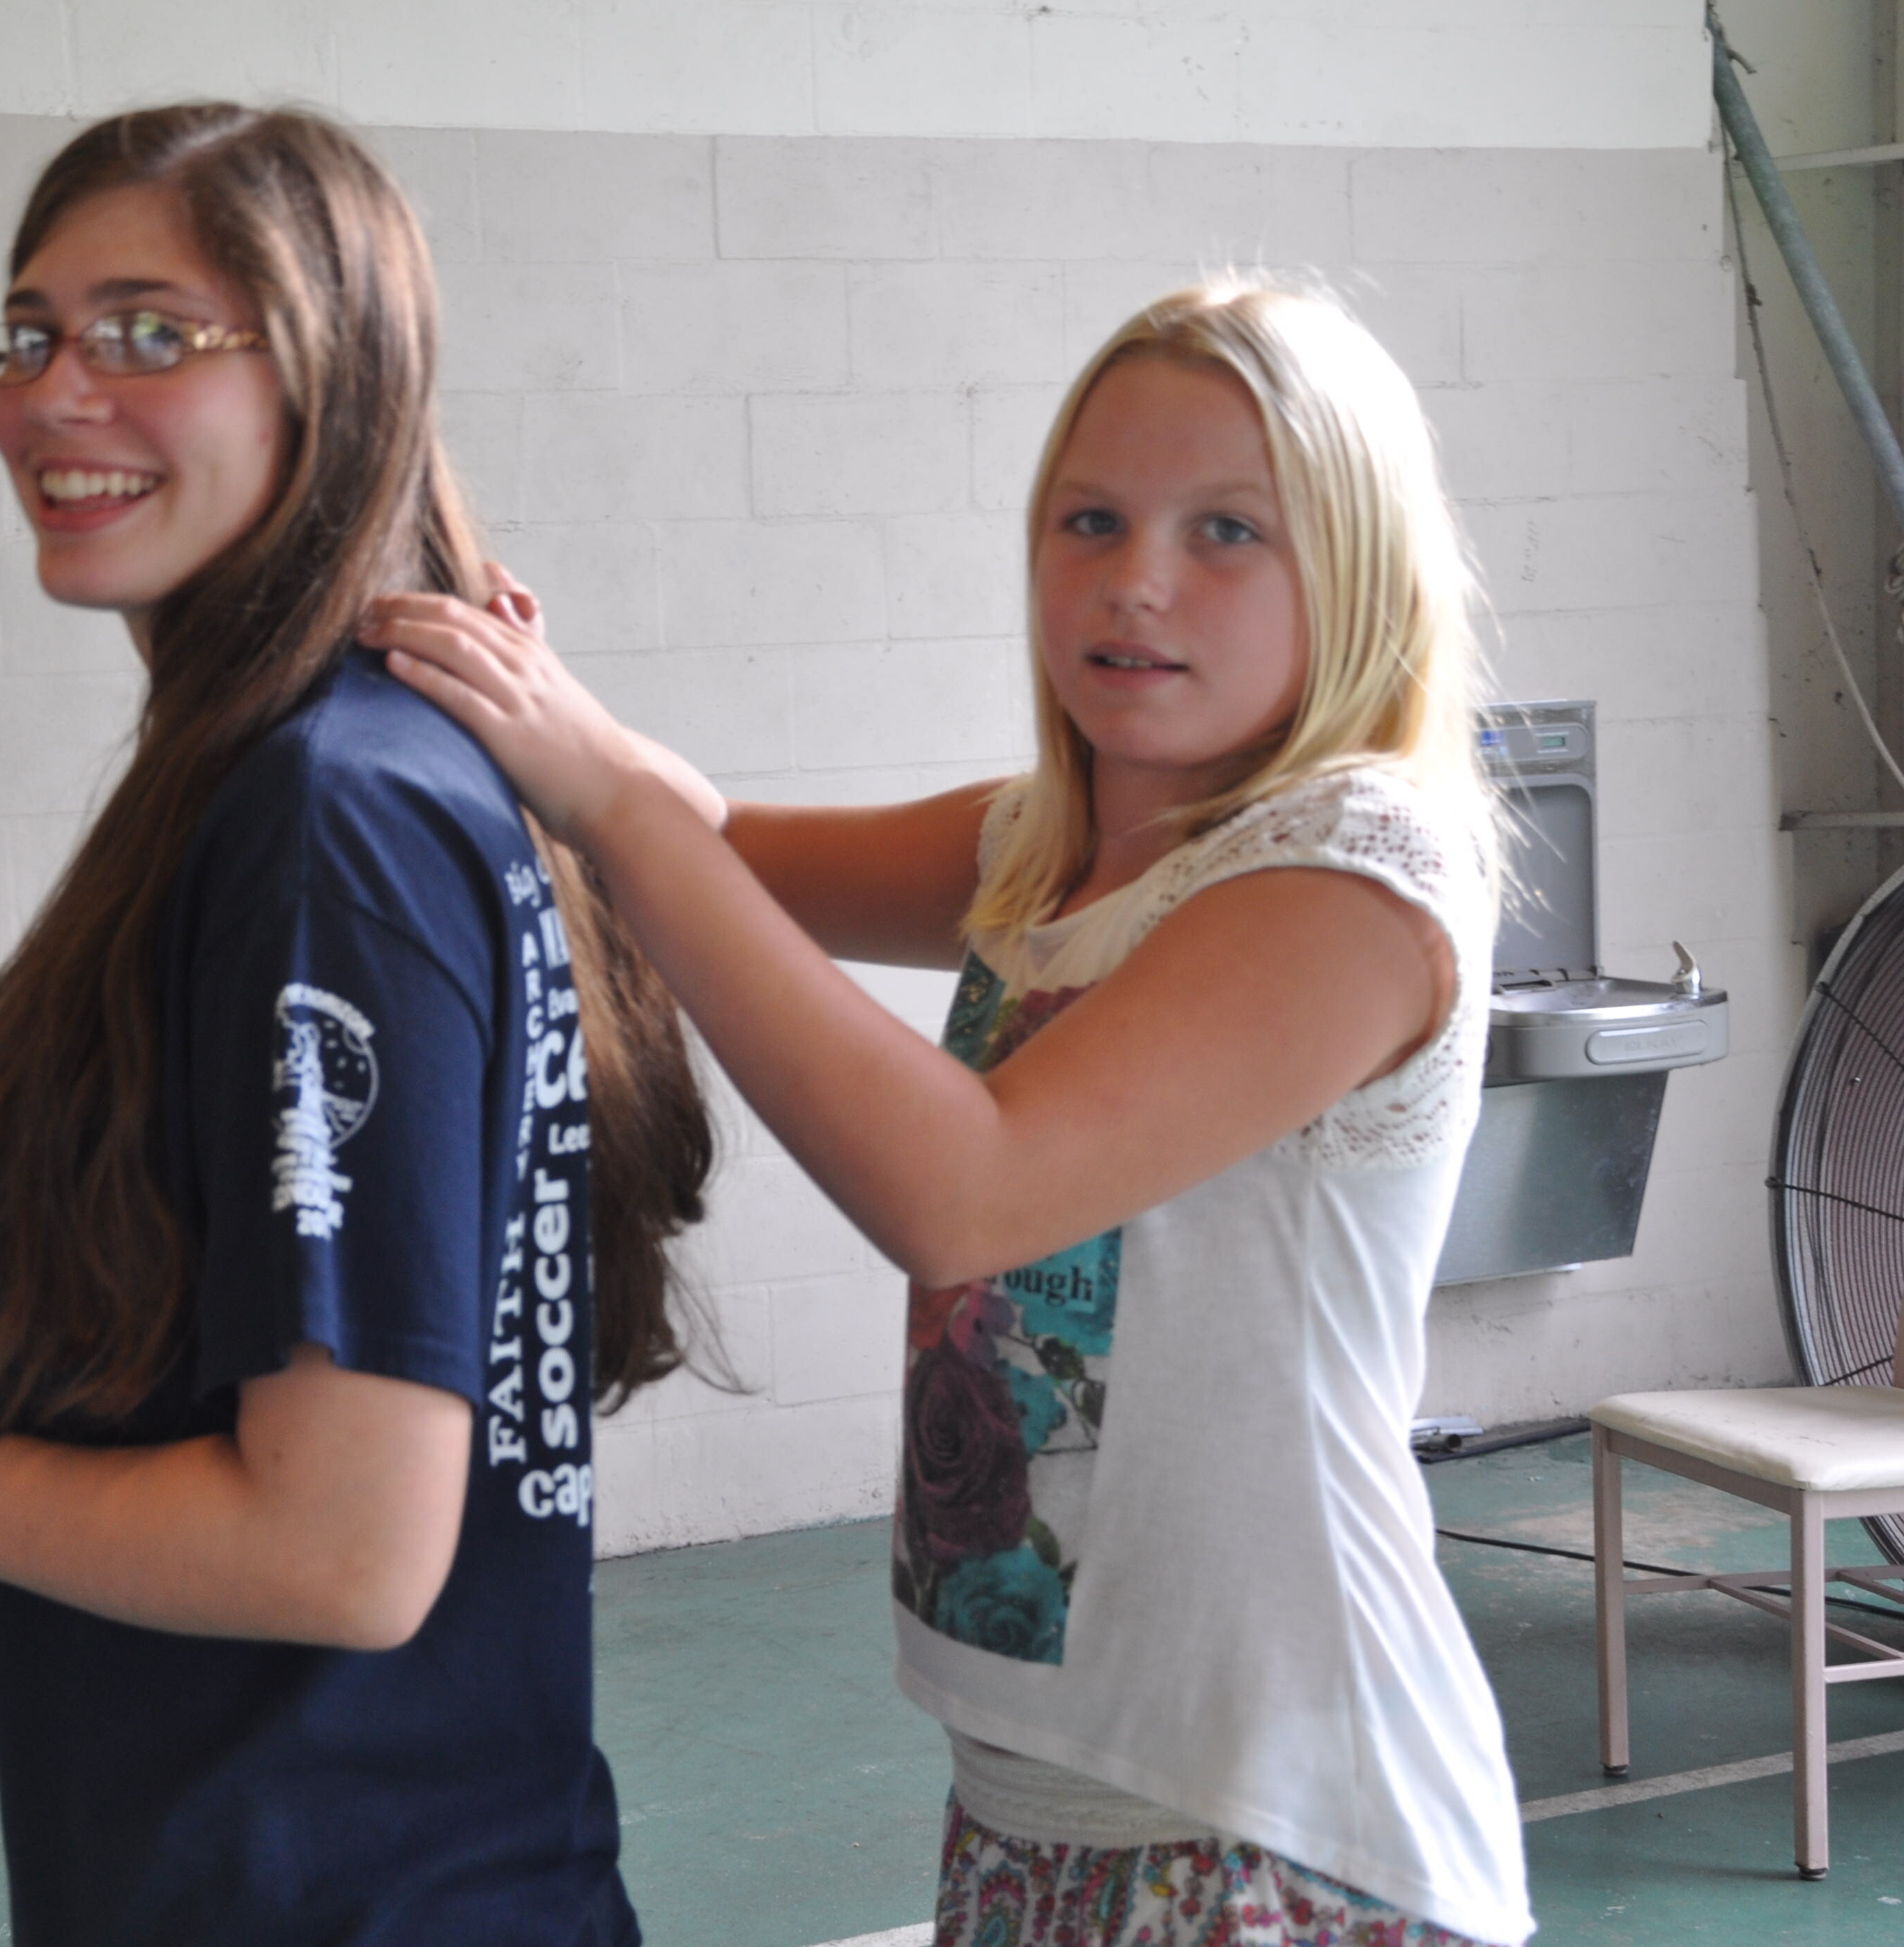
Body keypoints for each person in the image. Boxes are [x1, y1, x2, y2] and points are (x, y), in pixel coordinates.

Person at [364, 282, 1535, 1946]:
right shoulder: (1046, 843)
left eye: (1225, 531)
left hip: (1279, 1816)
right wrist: (542, 702)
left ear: (1354, 570)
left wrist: (607, 798)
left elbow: (966, 1189)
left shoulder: (1352, 872)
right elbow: (727, 847)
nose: (1135, 578)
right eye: (1089, 518)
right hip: (1035, 1788)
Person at [0, 103, 712, 1947]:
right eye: (26, 336)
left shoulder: (330, 813)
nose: (52, 395)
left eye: (149, 333)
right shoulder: (312, 770)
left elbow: (345, 1549)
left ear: (330, 373)